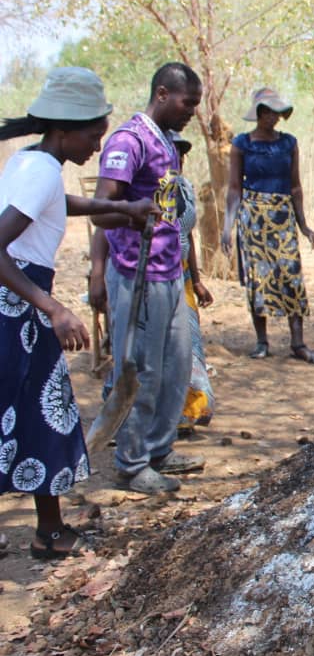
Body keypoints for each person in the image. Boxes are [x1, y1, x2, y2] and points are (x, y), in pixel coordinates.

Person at [0, 67, 158, 558]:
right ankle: (49, 532)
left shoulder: (32, 163)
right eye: (93, 135)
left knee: (35, 413)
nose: (97, 144)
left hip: (20, 303)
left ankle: (50, 531)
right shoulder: (40, 169)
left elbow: (54, 205)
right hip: (16, 307)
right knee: (36, 412)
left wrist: (124, 209)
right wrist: (54, 308)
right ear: (65, 129)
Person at [92, 62, 207, 495]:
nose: (192, 111)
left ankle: (160, 449)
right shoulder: (129, 141)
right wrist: (131, 214)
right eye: (187, 102)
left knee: (177, 365)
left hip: (170, 272)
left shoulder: (167, 143)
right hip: (138, 274)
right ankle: (132, 461)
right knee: (141, 370)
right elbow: (101, 208)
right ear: (162, 93)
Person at [90, 130, 215, 434]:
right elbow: (103, 229)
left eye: (181, 153)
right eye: (173, 151)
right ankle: (129, 428)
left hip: (178, 278)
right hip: (140, 275)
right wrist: (96, 275)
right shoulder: (139, 185)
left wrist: (196, 280)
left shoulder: (182, 188)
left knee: (183, 351)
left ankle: (174, 421)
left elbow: (186, 236)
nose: (178, 159)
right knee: (140, 354)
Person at [221, 88, 314, 363]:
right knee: (258, 279)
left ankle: (298, 342)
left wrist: (303, 224)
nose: (274, 118)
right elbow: (233, 188)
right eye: (268, 113)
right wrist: (227, 226)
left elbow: (296, 186)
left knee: (291, 276)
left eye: (277, 113)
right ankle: (262, 341)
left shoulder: (289, 143)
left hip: (283, 216)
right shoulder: (243, 144)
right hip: (253, 218)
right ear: (259, 114)